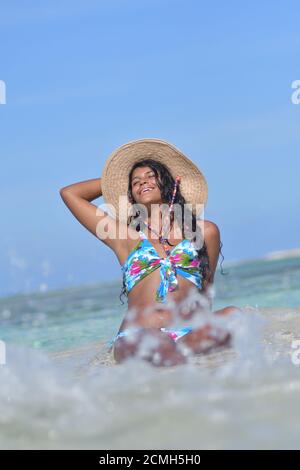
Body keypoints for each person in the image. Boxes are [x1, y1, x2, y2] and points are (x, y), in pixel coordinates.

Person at [60, 138, 241, 367]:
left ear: (168, 182)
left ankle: (190, 366)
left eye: (150, 176)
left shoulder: (204, 232)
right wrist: (117, 182)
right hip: (139, 335)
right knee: (156, 342)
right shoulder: (125, 238)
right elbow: (70, 194)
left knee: (234, 316)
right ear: (131, 194)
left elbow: (205, 293)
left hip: (187, 333)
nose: (142, 182)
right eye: (135, 182)